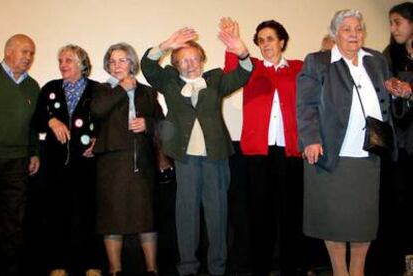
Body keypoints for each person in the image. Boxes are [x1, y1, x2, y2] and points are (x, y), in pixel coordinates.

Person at [141, 24, 252, 276]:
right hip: (186, 159)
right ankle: (188, 268)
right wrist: (166, 45)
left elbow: (244, 74)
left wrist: (242, 51)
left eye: (194, 59)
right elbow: (147, 67)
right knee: (186, 215)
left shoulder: (215, 80)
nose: (190, 64)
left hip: (216, 158)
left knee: (218, 214)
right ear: (176, 64)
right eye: (183, 61)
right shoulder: (169, 82)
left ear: (202, 59)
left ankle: (217, 268)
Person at [296, 9, 396, 276]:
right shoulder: (318, 62)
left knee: (363, 222)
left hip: (368, 155)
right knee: (334, 223)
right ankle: (340, 272)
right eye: (347, 29)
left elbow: (387, 101)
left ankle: (358, 271)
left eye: (359, 29)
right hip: (332, 155)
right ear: (335, 34)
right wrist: (311, 139)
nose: (354, 34)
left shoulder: (375, 60)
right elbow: (305, 104)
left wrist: (401, 95)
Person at [221, 18, 306, 275]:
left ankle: (291, 268)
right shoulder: (252, 67)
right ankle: (261, 269)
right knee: (260, 217)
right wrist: (235, 46)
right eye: (261, 40)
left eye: (270, 38)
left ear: (282, 41)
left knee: (290, 216)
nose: (265, 44)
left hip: (291, 152)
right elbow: (230, 71)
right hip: (258, 153)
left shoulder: (299, 68)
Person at [91, 43, 163, 276]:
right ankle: (115, 270)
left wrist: (148, 124)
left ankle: (152, 269)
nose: (116, 65)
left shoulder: (148, 92)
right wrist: (121, 89)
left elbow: (165, 126)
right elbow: (97, 111)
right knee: (112, 217)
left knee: (146, 217)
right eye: (112, 61)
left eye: (122, 60)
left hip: (142, 163)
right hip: (111, 163)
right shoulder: (102, 90)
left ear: (132, 63)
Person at [33, 45, 102, 276]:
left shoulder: (97, 90)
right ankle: (58, 265)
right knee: (56, 214)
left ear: (82, 64)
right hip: (55, 164)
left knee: (88, 214)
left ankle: (92, 264)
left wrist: (98, 142)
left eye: (69, 60)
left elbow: (107, 122)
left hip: (87, 163)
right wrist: (51, 121)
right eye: (60, 60)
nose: (63, 64)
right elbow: (36, 119)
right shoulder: (50, 88)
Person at [0, 34, 40, 276]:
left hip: (17, 162)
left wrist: (34, 152)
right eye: (25, 51)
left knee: (13, 223)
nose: (29, 57)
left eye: (31, 53)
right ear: (8, 52)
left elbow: (33, 126)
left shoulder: (32, 86)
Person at [381, 2, 413, 273]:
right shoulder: (389, 54)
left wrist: (411, 91)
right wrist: (390, 86)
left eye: (397, 22)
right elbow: (379, 84)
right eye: (391, 23)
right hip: (398, 141)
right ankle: (402, 261)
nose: (393, 29)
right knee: (399, 203)